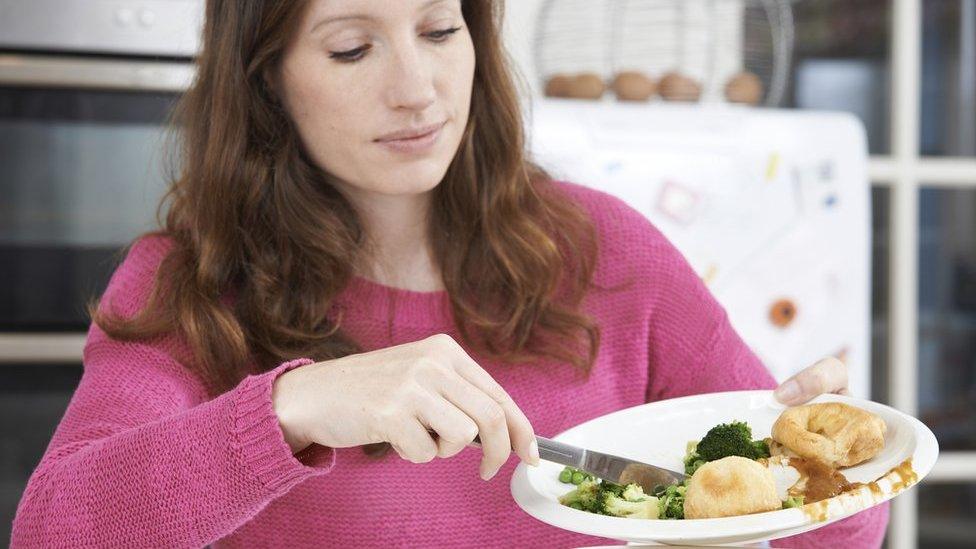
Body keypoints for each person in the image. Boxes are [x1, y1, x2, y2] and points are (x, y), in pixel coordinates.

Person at [11, 1, 887, 547]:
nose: (419, 89)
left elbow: (830, 532)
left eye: (439, 30)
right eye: (353, 49)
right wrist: (293, 407)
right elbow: (54, 530)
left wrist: (830, 456)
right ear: (268, 81)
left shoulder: (606, 253)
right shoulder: (187, 287)